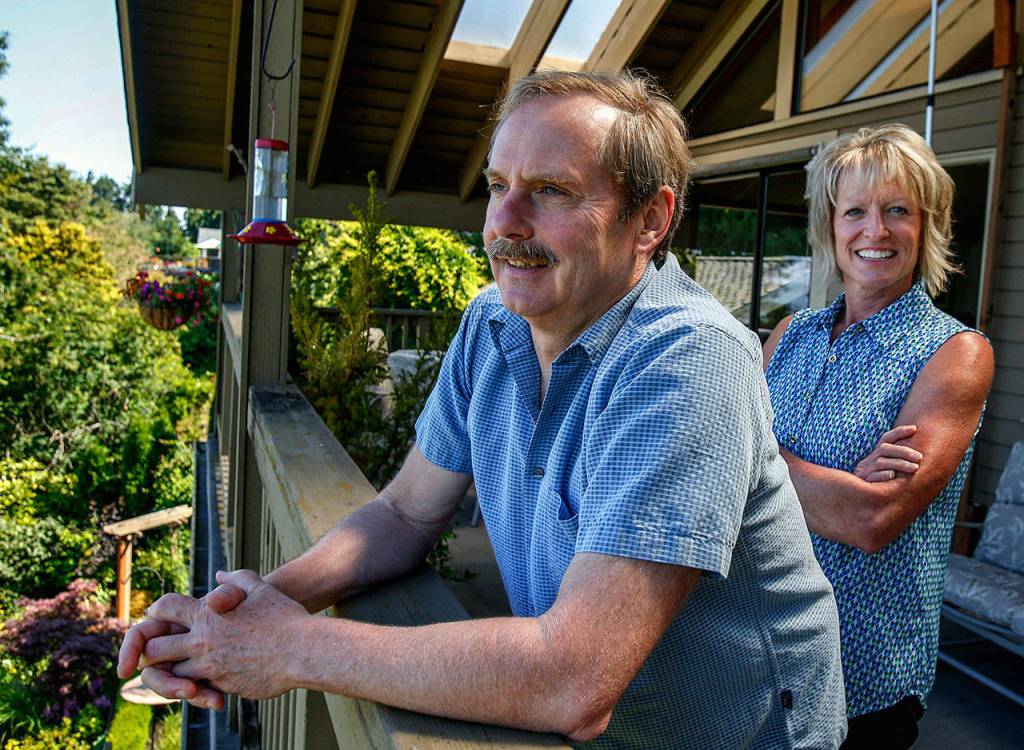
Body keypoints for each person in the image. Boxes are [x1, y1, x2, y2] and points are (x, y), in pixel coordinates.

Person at [120, 70, 847, 748]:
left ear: (649, 220)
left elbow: (574, 677)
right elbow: (405, 514)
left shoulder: (689, 360)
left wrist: (294, 647)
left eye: (552, 191)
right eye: (498, 185)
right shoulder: (492, 324)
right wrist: (255, 610)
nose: (505, 223)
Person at [762, 124, 994, 749]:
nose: (876, 231)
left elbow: (871, 519)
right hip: (750, 646)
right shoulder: (790, 335)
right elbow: (718, 452)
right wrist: (833, 483)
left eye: (898, 211)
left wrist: (760, 462)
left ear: (928, 227)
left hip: (861, 668)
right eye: (855, 212)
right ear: (830, 227)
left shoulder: (954, 353)